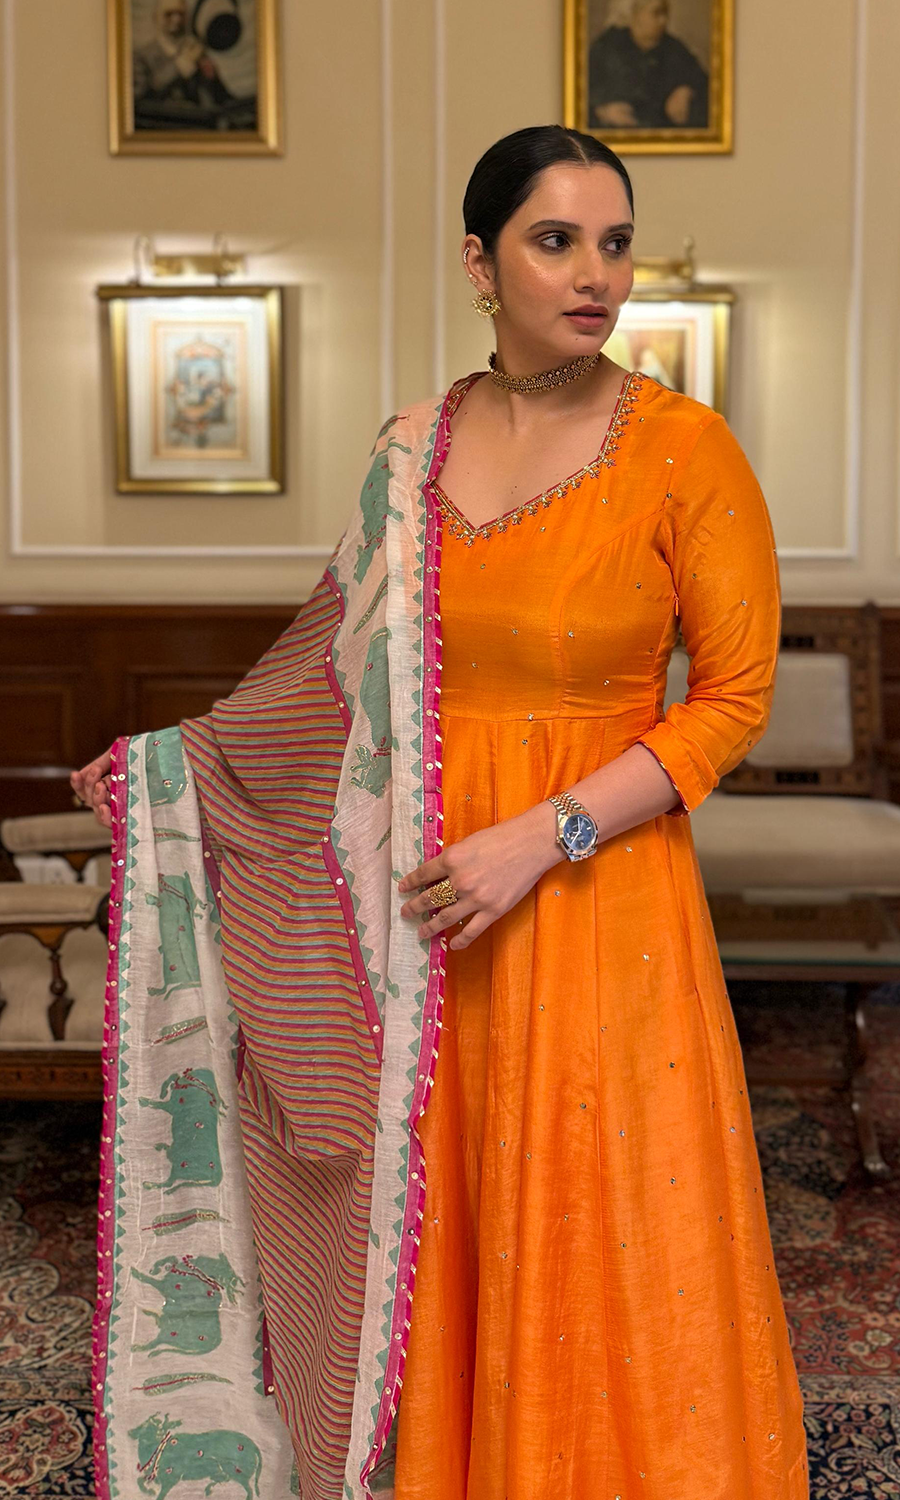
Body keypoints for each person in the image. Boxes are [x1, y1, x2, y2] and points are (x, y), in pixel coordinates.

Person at [74, 124, 808, 1499]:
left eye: (614, 243)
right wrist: (174, 769)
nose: (594, 273)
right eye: (554, 240)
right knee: (429, 1233)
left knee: (603, 1226)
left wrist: (547, 835)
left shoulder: (684, 449)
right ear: (481, 262)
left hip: (600, 902)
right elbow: (322, 677)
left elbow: (733, 699)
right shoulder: (410, 450)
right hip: (418, 915)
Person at [590, 0, 709, 130]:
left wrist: (686, 90)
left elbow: (703, 82)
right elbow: (581, 93)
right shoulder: (606, 46)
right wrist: (603, 112)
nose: (664, 20)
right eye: (656, 13)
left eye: (665, 13)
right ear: (636, 14)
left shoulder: (675, 48)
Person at [133, 0, 236, 128]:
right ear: (155, 17)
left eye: (181, 14)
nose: (176, 19)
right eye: (169, 14)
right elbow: (136, 100)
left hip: (199, 128)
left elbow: (217, 100)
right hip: (160, 129)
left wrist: (211, 78)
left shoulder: (195, 51)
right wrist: (179, 66)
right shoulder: (141, 56)